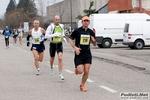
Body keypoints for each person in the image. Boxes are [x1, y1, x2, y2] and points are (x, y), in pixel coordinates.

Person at [69, 16, 97, 92]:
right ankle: (77, 69)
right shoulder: (77, 31)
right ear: (82, 22)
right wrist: (75, 47)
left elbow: (95, 44)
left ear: (89, 22)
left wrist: (94, 41)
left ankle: (82, 85)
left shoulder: (91, 32)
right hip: (79, 53)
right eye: (84, 21)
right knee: (80, 71)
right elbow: (70, 39)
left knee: (86, 71)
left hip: (87, 54)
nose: (85, 22)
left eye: (87, 21)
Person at [45, 15, 67, 80]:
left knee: (60, 58)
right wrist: (54, 35)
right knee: (52, 58)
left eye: (58, 20)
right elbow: (46, 36)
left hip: (59, 43)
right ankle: (51, 67)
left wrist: (63, 37)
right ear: (53, 20)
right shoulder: (51, 27)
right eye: (56, 20)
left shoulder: (61, 26)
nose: (57, 21)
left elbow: (62, 33)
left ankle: (60, 74)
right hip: (53, 44)